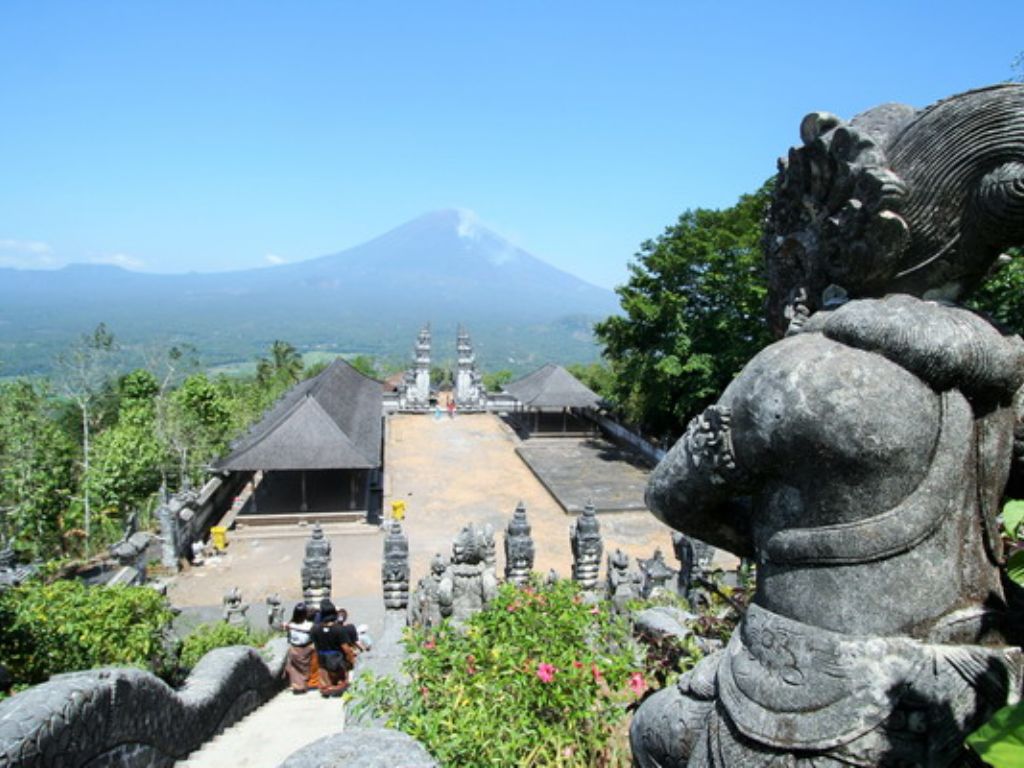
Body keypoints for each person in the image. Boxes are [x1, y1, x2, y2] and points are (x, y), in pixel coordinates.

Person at [312, 599, 359, 696]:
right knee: (341, 680)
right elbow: (346, 648)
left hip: (322, 658)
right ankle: (337, 688)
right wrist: (351, 660)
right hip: (337, 659)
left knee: (325, 680)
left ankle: (327, 688)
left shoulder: (315, 629)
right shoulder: (339, 629)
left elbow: (315, 646)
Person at [282, 602, 315, 693]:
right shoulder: (309, 625)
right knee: (304, 669)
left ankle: (298, 686)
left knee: (295, 670)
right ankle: (301, 685)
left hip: (295, 649)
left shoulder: (290, 625)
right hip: (306, 649)